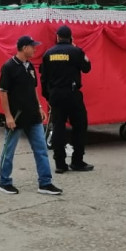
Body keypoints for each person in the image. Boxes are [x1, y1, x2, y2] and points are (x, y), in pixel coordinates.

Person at [0, 36, 62, 196]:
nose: (35, 49)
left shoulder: (30, 67)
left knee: (41, 149)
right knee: (9, 150)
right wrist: (8, 116)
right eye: (33, 47)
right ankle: (4, 182)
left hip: (33, 116)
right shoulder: (9, 67)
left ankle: (45, 182)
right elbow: (3, 92)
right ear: (24, 47)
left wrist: (39, 106)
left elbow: (33, 89)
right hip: (17, 117)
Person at [40, 25, 93, 173]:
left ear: (57, 37)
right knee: (80, 126)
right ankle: (77, 161)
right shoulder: (76, 51)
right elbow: (87, 67)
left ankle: (60, 164)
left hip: (56, 95)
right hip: (72, 94)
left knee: (58, 128)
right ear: (71, 38)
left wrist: (48, 96)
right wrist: (77, 48)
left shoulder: (48, 54)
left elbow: (43, 78)